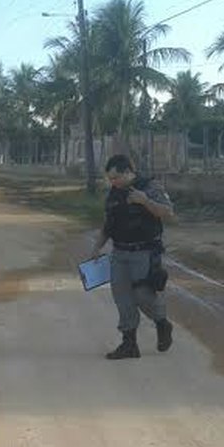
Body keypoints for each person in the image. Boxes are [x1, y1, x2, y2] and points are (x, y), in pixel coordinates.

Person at [90, 154, 176, 360]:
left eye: (117, 177)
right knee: (122, 298)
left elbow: (168, 213)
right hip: (119, 253)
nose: (113, 182)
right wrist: (97, 247)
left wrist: (145, 201)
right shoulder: (114, 193)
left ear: (129, 172)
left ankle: (162, 323)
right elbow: (108, 224)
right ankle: (129, 344)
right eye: (110, 179)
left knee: (143, 295)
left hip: (145, 252)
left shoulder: (150, 187)